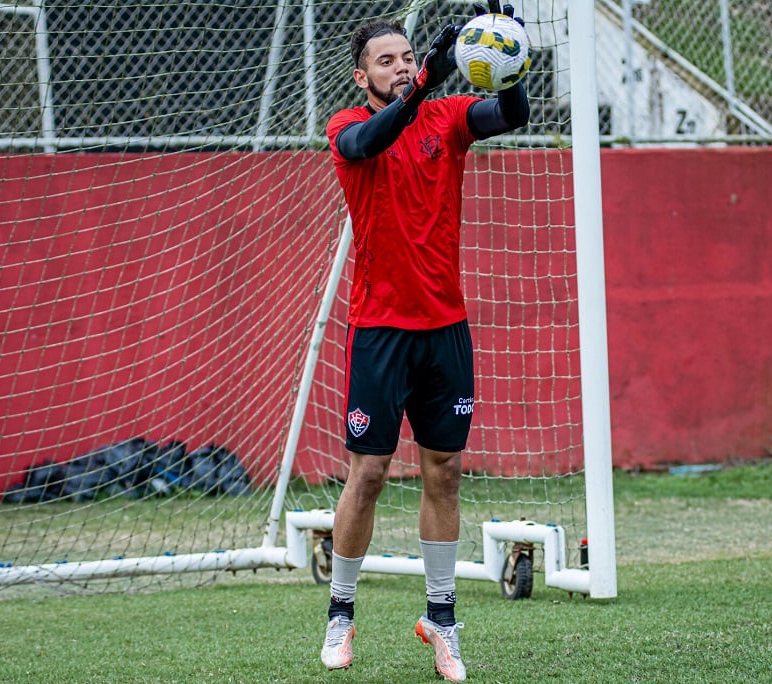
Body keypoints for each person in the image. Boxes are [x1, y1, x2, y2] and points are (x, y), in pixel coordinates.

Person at [319, 2, 529, 681]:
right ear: (361, 77)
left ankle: (442, 623)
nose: (402, 66)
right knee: (370, 474)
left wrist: (509, 50)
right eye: (387, 61)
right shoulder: (350, 126)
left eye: (408, 57)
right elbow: (368, 144)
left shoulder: (447, 118)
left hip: (446, 330)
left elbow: (513, 114)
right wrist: (423, 84)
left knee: (444, 471)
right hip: (380, 332)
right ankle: (341, 615)